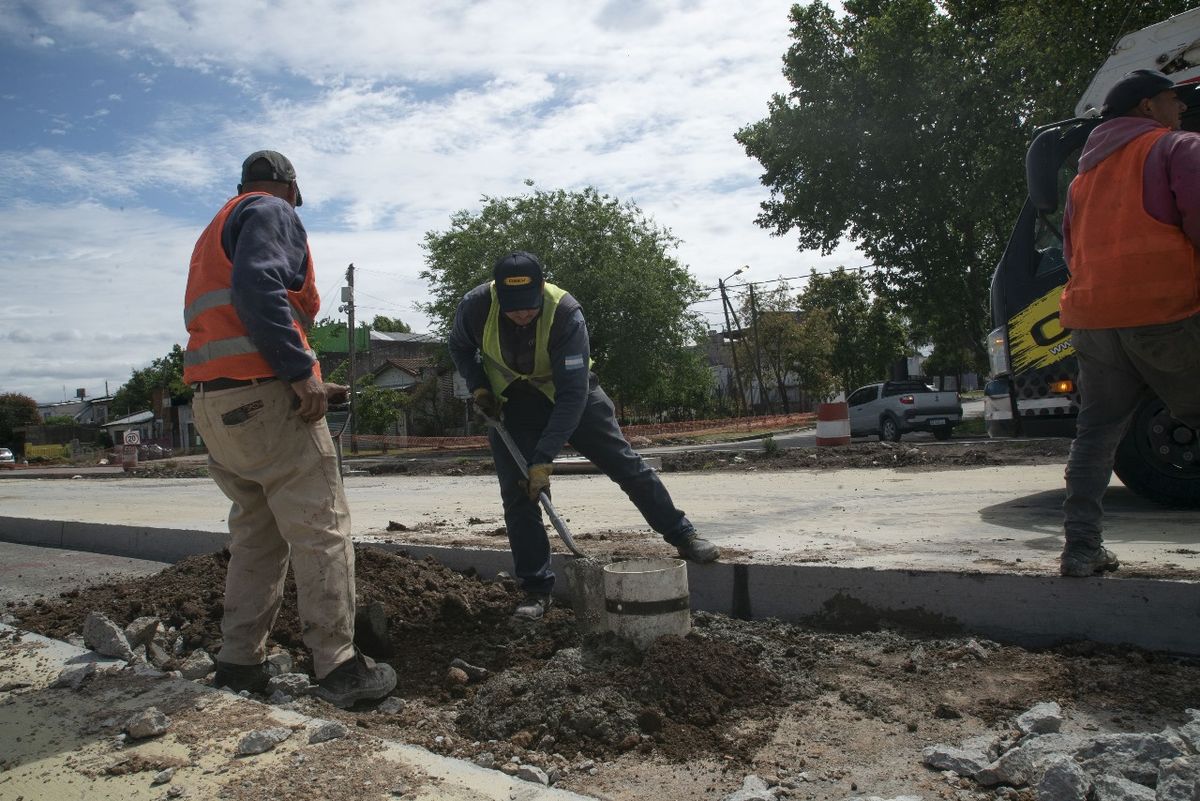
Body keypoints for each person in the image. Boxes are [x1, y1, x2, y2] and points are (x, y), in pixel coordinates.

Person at [183, 150, 396, 705]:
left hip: (217, 404)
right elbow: (259, 290)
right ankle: (339, 666)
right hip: (266, 400)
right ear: (292, 190)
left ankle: (238, 661)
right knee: (321, 530)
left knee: (255, 536)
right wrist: (302, 375)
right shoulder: (271, 213)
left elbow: (234, 310)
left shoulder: (217, 227)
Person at [448, 251, 720, 620]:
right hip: (512, 402)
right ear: (497, 294)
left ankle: (683, 535)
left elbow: (572, 395)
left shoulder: (565, 312)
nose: (522, 314)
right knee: (519, 493)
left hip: (573, 395)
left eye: (528, 306)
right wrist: (479, 386)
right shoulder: (475, 307)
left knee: (625, 464)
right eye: (514, 308)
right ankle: (535, 588)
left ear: (541, 288)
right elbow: (460, 347)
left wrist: (543, 457)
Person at [1058, 70, 1200, 577]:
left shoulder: (1082, 180)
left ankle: (1081, 549)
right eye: (1172, 99)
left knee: (1096, 433)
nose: (1179, 108)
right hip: (1166, 313)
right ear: (1146, 106)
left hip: (1096, 322)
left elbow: (1072, 254)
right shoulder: (1175, 149)